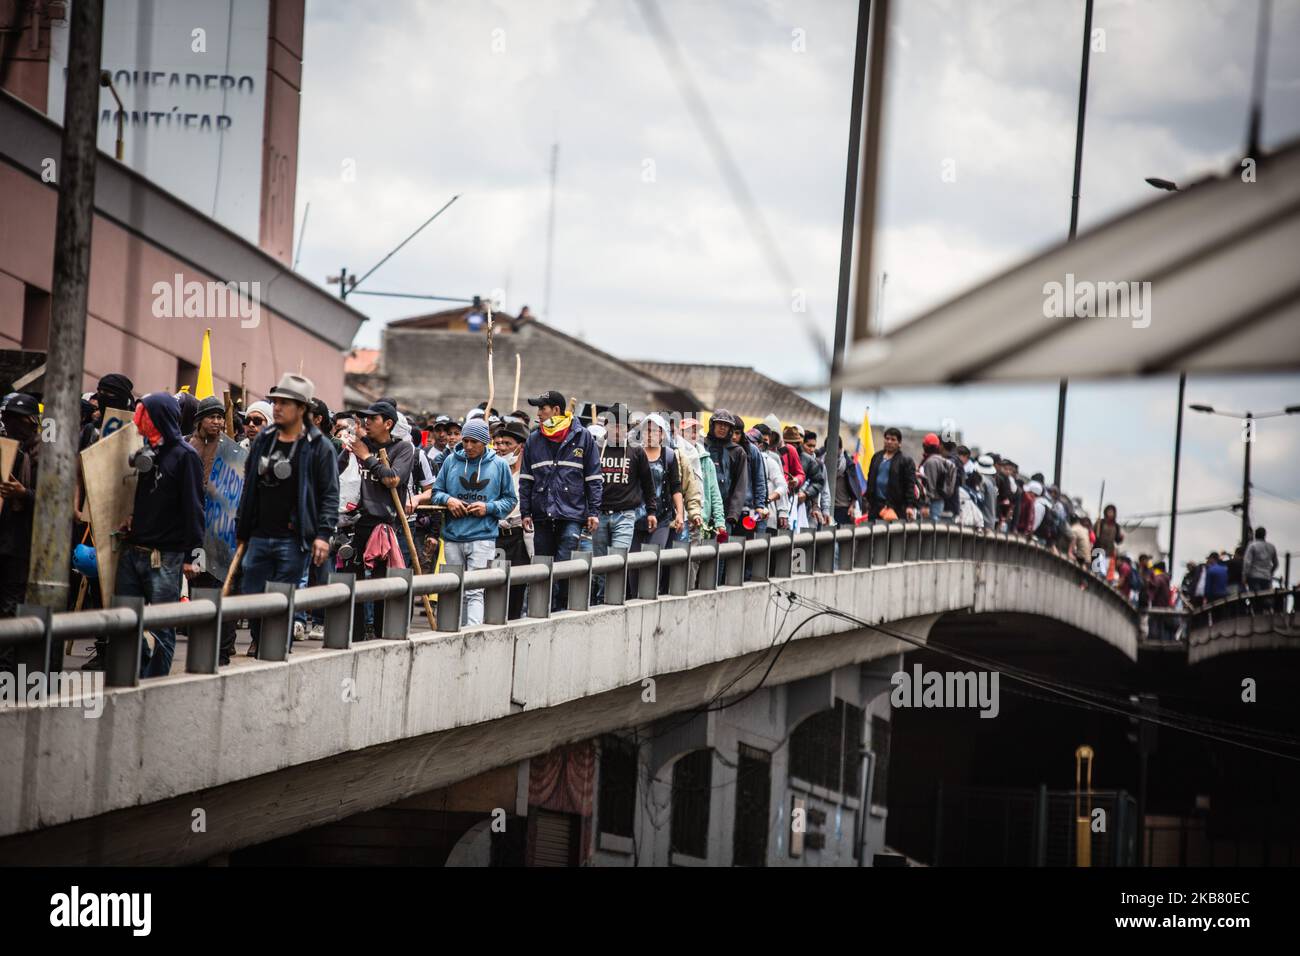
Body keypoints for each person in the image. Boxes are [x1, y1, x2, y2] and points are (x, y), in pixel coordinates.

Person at [236, 374, 340, 654]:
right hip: (258, 536)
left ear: (302, 409)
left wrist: (323, 534)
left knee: (281, 601)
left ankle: (276, 651)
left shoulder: (320, 447)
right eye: (276, 402)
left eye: (285, 402)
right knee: (253, 598)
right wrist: (242, 527)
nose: (277, 407)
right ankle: (261, 641)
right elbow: (249, 486)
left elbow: (330, 494)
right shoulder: (264, 440)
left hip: (293, 540)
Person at [115, 392, 204, 677]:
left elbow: (193, 506)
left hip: (164, 556)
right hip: (134, 550)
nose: (139, 421)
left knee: (162, 627)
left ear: (159, 418)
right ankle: (134, 674)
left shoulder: (185, 456)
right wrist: (133, 519)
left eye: (145, 415)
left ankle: (155, 684)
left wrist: (192, 555)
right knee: (124, 620)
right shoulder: (147, 452)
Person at [519, 390, 602, 610]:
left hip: (572, 514)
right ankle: (540, 611)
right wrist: (525, 512)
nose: (538, 413)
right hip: (541, 514)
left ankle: (559, 611)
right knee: (543, 566)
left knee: (564, 565)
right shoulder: (534, 439)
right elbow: (526, 479)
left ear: (556, 410)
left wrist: (593, 511)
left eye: (542, 408)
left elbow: (594, 479)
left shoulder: (582, 437)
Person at [431, 417, 517, 626]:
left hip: (483, 537)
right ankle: (452, 633)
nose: (468, 446)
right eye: (466, 440)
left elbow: (510, 500)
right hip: (452, 536)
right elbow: (436, 492)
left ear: (484, 442)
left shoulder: (499, 465)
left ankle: (473, 635)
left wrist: (488, 508)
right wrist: (449, 500)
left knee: (475, 591)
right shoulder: (451, 461)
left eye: (474, 442)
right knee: (453, 589)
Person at [342, 400, 414, 640]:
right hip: (353, 524)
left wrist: (367, 458)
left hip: (383, 526)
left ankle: (384, 635)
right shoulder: (358, 445)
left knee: (384, 584)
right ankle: (355, 635)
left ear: (388, 424)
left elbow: (393, 479)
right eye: (365, 419)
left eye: (372, 419)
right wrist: (346, 450)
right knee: (352, 583)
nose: (366, 423)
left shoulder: (403, 449)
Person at [185, 396, 239, 665]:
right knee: (199, 588)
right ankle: (202, 646)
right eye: (211, 417)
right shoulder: (187, 446)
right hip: (194, 530)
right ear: (200, 420)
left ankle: (222, 649)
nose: (217, 421)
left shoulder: (232, 451)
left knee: (222, 590)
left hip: (223, 533)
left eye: (220, 416)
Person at [593, 403, 656, 603]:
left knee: (619, 559)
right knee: (601, 564)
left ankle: (614, 600)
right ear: (606, 426)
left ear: (628, 428)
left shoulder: (637, 452)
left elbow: (648, 484)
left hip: (626, 515)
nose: (618, 429)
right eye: (613, 425)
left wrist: (652, 511)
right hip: (599, 514)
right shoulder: (595, 449)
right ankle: (602, 600)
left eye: (622, 425)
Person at [0, 393, 42, 626]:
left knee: (12, 610)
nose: (9, 423)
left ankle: (15, 665)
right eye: (7, 417)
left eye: (17, 418)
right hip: (4, 539)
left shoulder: (43, 455)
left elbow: (54, 502)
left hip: (24, 544)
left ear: (31, 421)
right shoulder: (4, 449)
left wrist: (23, 494)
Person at [492, 420, 531, 618]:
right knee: (494, 588)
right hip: (495, 536)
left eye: (506, 444)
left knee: (516, 590)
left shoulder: (530, 474)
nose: (500, 448)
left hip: (519, 538)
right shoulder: (492, 470)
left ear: (521, 446)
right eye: (497, 443)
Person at [703, 410, 751, 534]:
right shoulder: (701, 446)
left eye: (727, 425)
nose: (723, 427)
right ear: (712, 425)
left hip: (725, 515)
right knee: (699, 551)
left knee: (722, 550)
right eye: (719, 423)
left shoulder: (737, 452)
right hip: (702, 510)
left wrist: (733, 514)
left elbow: (741, 485)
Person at [865, 427, 917, 521]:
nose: (889, 442)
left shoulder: (905, 461)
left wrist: (910, 506)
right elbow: (870, 480)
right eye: (887, 439)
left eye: (893, 439)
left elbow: (910, 485)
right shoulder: (876, 457)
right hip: (876, 507)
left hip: (895, 507)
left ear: (899, 443)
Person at [919, 433, 956, 521]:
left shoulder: (931, 461)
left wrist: (926, 505)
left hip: (932, 503)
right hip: (940, 500)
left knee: (930, 528)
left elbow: (929, 485)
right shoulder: (942, 460)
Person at [1243, 527, 1278, 596]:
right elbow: (1276, 563)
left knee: (1255, 597)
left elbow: (1247, 562)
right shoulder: (1271, 547)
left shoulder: (1252, 545)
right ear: (1265, 535)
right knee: (1264, 598)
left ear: (1255, 534)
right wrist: (1270, 572)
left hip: (1254, 576)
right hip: (1266, 577)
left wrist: (1244, 575)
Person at [976, 454, 998, 528]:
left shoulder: (982, 481)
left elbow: (979, 500)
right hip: (991, 522)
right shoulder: (992, 482)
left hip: (982, 523)